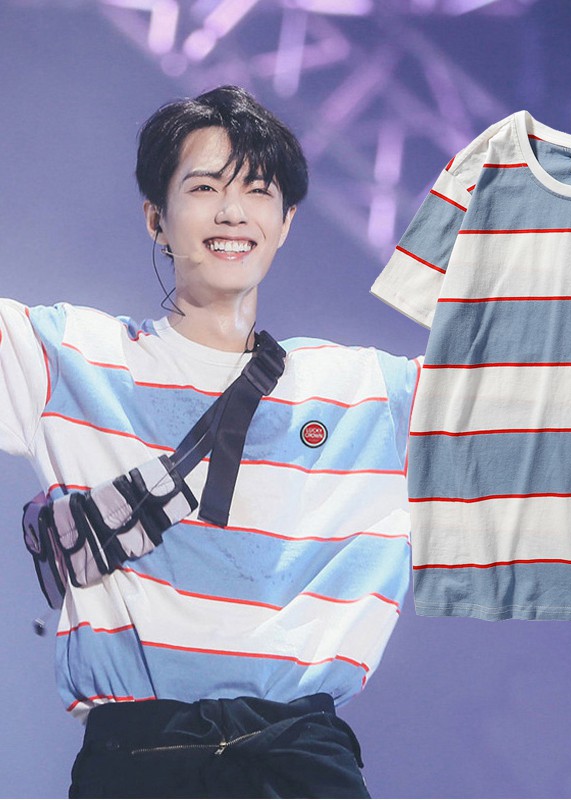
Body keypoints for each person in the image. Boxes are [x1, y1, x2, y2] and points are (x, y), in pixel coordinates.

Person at [0, 85, 420, 798]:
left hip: (297, 764)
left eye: (258, 191)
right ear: (156, 218)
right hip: (138, 763)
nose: (232, 212)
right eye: (204, 188)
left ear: (286, 221)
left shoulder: (367, 392)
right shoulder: (68, 357)